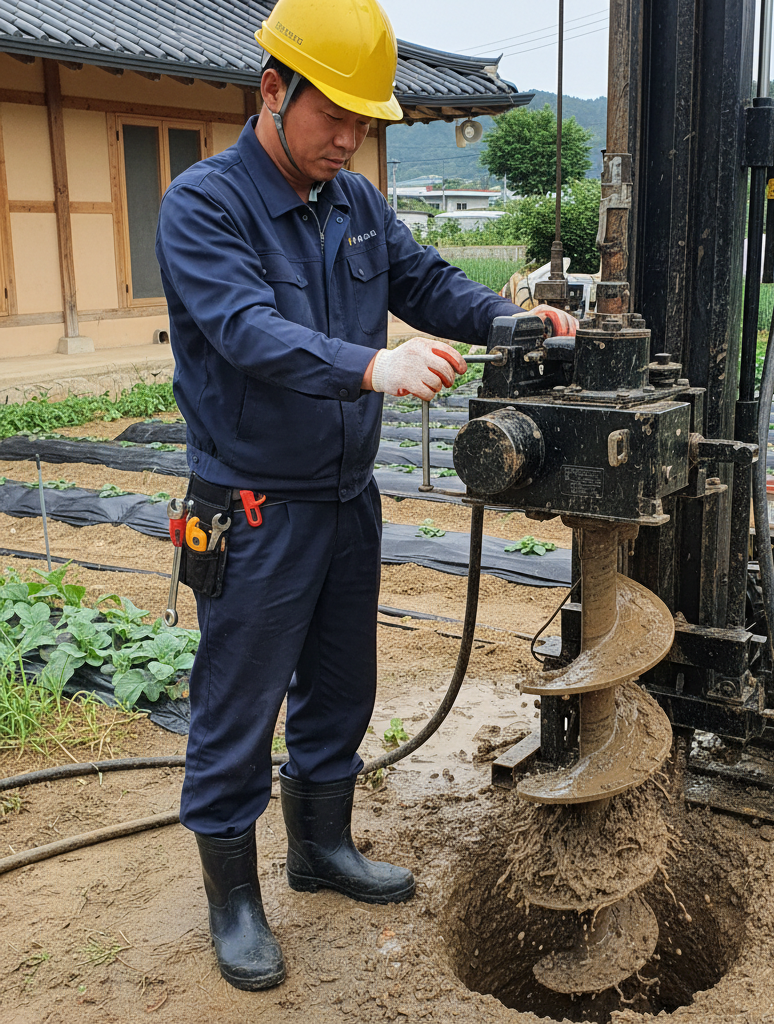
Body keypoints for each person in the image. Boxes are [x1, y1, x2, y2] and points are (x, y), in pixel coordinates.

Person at [155, 0, 576, 993]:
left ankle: (321, 848)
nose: (348, 138)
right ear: (273, 90)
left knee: (341, 687)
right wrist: (371, 366)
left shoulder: (355, 203)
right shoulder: (206, 204)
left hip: (345, 494)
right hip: (251, 504)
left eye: (363, 121)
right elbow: (244, 328)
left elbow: (425, 282)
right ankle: (234, 900)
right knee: (237, 704)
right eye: (333, 114)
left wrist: (516, 321)